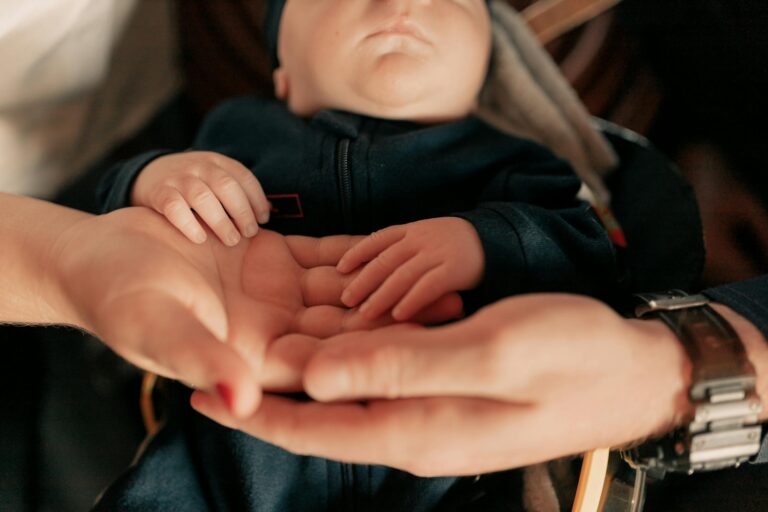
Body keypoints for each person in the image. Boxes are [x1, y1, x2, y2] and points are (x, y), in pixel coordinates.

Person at [92, 0, 703, 511]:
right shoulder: (234, 135)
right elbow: (116, 229)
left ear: (486, 68)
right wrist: (155, 178)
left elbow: (587, 252)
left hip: (457, 469)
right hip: (236, 448)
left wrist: (483, 240)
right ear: (282, 73)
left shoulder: (513, 159)